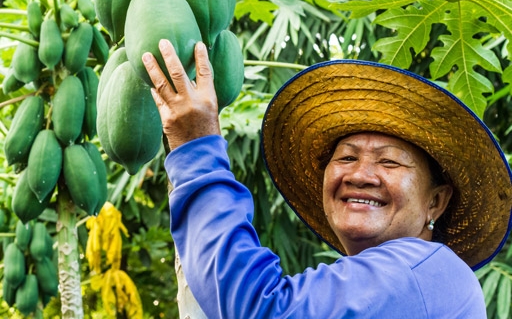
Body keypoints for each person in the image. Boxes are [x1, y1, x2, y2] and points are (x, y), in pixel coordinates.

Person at [142, 39, 512, 319]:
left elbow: (260, 309)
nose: (360, 175)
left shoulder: (424, 272)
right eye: (347, 157)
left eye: (390, 163)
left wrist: (196, 145)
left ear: (436, 201)